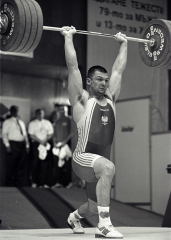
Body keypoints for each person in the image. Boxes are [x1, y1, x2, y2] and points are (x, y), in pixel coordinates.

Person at [61, 26, 127, 238]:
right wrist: (68, 37)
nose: (104, 83)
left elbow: (118, 70)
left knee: (91, 206)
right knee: (108, 167)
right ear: (89, 81)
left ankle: (74, 218)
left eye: (105, 80)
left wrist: (124, 44)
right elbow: (72, 68)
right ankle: (104, 226)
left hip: (98, 163)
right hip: (82, 159)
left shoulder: (111, 99)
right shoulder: (81, 101)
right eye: (99, 79)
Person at [2, 105, 30, 186]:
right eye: (14, 110)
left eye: (17, 110)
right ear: (11, 112)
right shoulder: (7, 122)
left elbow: (25, 135)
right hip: (13, 144)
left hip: (22, 145)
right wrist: (7, 145)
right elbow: (4, 134)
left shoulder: (21, 122)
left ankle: (19, 184)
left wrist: (27, 145)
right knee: (11, 165)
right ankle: (10, 185)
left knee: (21, 165)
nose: (16, 112)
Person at [28, 108, 54, 188]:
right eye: (39, 113)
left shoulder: (47, 123)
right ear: (36, 114)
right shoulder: (32, 123)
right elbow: (31, 135)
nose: (41, 115)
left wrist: (45, 141)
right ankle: (34, 182)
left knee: (45, 164)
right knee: (35, 163)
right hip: (36, 144)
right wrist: (40, 141)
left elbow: (51, 133)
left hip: (45, 144)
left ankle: (43, 183)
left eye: (42, 113)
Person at [51, 104, 73, 188]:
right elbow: (54, 134)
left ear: (67, 110)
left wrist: (64, 142)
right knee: (57, 164)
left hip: (66, 146)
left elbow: (72, 133)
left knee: (67, 164)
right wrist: (55, 143)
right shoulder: (56, 121)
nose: (62, 111)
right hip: (57, 146)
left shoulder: (69, 119)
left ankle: (68, 182)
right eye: (61, 110)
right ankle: (58, 182)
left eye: (64, 110)